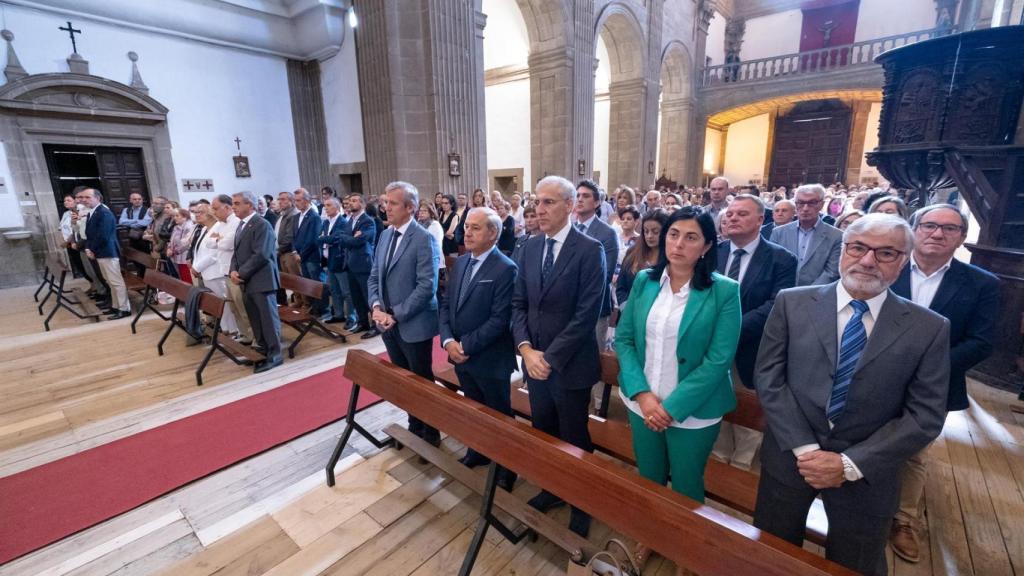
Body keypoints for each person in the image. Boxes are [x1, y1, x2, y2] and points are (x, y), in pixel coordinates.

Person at [753, 214, 951, 576]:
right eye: (858, 247)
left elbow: (925, 416)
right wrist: (807, 450)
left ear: (904, 260)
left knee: (855, 562)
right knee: (772, 553)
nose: (868, 260)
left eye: (886, 253)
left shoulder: (929, 328)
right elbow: (769, 378)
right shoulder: (792, 303)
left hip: (867, 471)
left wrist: (848, 464)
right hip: (791, 459)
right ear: (843, 250)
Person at [615, 207, 741, 570]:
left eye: (690, 237)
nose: (678, 244)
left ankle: (687, 547)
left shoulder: (723, 292)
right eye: (673, 234)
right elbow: (624, 340)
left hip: (692, 410)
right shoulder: (644, 281)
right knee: (650, 477)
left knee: (686, 483)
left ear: (706, 246)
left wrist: (670, 409)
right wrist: (643, 395)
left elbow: (718, 361)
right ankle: (650, 536)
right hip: (643, 403)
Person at [888, 204, 1000, 562]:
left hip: (934, 386)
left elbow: (981, 342)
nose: (937, 234)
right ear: (914, 229)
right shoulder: (887, 267)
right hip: (873, 377)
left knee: (914, 453)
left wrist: (925, 370)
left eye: (949, 229)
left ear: (962, 238)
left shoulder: (982, 284)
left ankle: (903, 520)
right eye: (930, 225)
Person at [511, 175, 606, 538]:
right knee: (544, 432)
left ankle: (582, 500)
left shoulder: (588, 249)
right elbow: (518, 304)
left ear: (570, 206)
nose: (540, 208)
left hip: (567, 365)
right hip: (533, 362)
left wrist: (547, 358)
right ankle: (552, 489)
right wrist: (525, 350)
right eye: (538, 201)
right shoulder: (531, 247)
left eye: (549, 202)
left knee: (574, 436)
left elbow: (586, 315)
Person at [711, 194, 797, 470]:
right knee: (716, 398)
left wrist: (730, 329)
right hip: (712, 345)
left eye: (742, 214)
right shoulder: (716, 251)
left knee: (748, 403)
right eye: (730, 213)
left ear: (761, 219)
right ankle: (720, 452)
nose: (732, 217)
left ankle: (742, 461)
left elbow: (775, 304)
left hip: (753, 346)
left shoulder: (781, 259)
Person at [439, 207, 518, 491]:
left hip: (490, 358)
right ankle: (480, 451)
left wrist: (465, 345)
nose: (467, 232)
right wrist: (447, 341)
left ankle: (508, 466)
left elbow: (501, 319)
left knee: (499, 415)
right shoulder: (461, 262)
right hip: (461, 355)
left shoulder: (505, 268)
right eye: (467, 227)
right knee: (474, 408)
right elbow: (446, 304)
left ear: (493, 233)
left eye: (475, 228)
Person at [367, 181, 442, 449]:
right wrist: (376, 306)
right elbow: (375, 274)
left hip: (412, 322)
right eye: (386, 202)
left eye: (393, 203)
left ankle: (431, 431)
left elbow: (426, 287)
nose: (386, 208)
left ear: (410, 207)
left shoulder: (424, 239)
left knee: (421, 380)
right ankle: (413, 424)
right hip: (387, 322)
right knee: (402, 379)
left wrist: (395, 314)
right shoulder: (386, 235)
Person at [229, 191, 283, 373]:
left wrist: (241, 273)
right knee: (255, 318)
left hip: (262, 280)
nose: (233, 207)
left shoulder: (262, 224)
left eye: (237, 203)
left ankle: (275, 354)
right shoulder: (242, 225)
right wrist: (233, 271)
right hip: (247, 280)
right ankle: (262, 349)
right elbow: (236, 253)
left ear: (249, 206)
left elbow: (261, 254)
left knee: (267, 319)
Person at [575, 180, 618, 349]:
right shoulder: (569, 229)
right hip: (568, 307)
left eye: (585, 196)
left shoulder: (607, 233)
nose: (579, 199)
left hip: (595, 306)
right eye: (577, 195)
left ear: (597, 202)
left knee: (593, 357)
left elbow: (605, 274)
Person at [770, 184, 843, 286]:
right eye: (800, 203)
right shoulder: (778, 232)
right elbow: (772, 267)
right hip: (781, 294)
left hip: (817, 297)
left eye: (812, 203)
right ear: (795, 204)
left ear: (821, 204)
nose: (805, 208)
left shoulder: (836, 236)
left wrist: (807, 296)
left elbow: (831, 273)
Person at [80, 188, 131, 320]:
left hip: (108, 251)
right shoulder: (93, 212)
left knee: (116, 281)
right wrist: (89, 247)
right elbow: (90, 234)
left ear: (98, 198)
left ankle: (124, 309)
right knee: (109, 281)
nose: (84, 200)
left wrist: (92, 249)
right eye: (83, 197)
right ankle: (116, 306)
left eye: (88, 197)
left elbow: (104, 235)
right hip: (101, 252)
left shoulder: (104, 213)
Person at [616, 209, 668, 308]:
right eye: (646, 231)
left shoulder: (670, 258)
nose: (649, 236)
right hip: (628, 310)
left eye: (655, 232)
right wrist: (627, 309)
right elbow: (621, 287)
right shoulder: (632, 252)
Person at [318, 197, 356, 325]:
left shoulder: (343, 222)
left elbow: (336, 238)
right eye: (324, 205)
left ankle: (351, 317)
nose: (325, 208)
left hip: (340, 261)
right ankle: (338, 314)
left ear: (337, 207)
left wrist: (324, 238)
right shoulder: (326, 222)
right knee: (334, 290)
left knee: (347, 292)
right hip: (329, 261)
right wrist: (325, 238)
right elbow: (323, 237)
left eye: (328, 205)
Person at [291, 188, 324, 314]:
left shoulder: (314, 217)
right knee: (307, 284)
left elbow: (312, 239)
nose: (296, 203)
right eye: (295, 200)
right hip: (300, 256)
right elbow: (293, 237)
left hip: (311, 257)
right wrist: (294, 251)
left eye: (298, 200)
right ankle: (313, 308)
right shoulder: (296, 217)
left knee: (315, 284)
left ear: (307, 200)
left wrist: (301, 254)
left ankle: (320, 309)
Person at [275, 190, 300, 303]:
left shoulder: (293, 214)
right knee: (290, 281)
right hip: (282, 252)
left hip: (288, 252)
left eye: (283, 199)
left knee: (296, 279)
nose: (280, 202)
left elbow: (289, 237)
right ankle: (298, 301)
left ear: (291, 201)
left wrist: (277, 251)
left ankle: (303, 303)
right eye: (279, 199)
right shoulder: (283, 214)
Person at [167, 207, 196, 284]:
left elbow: (186, 243)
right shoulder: (177, 226)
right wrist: (169, 247)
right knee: (182, 279)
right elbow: (172, 239)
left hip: (185, 258)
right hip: (177, 257)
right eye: (174, 216)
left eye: (177, 216)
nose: (174, 218)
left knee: (187, 280)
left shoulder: (188, 227)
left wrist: (173, 251)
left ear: (185, 217)